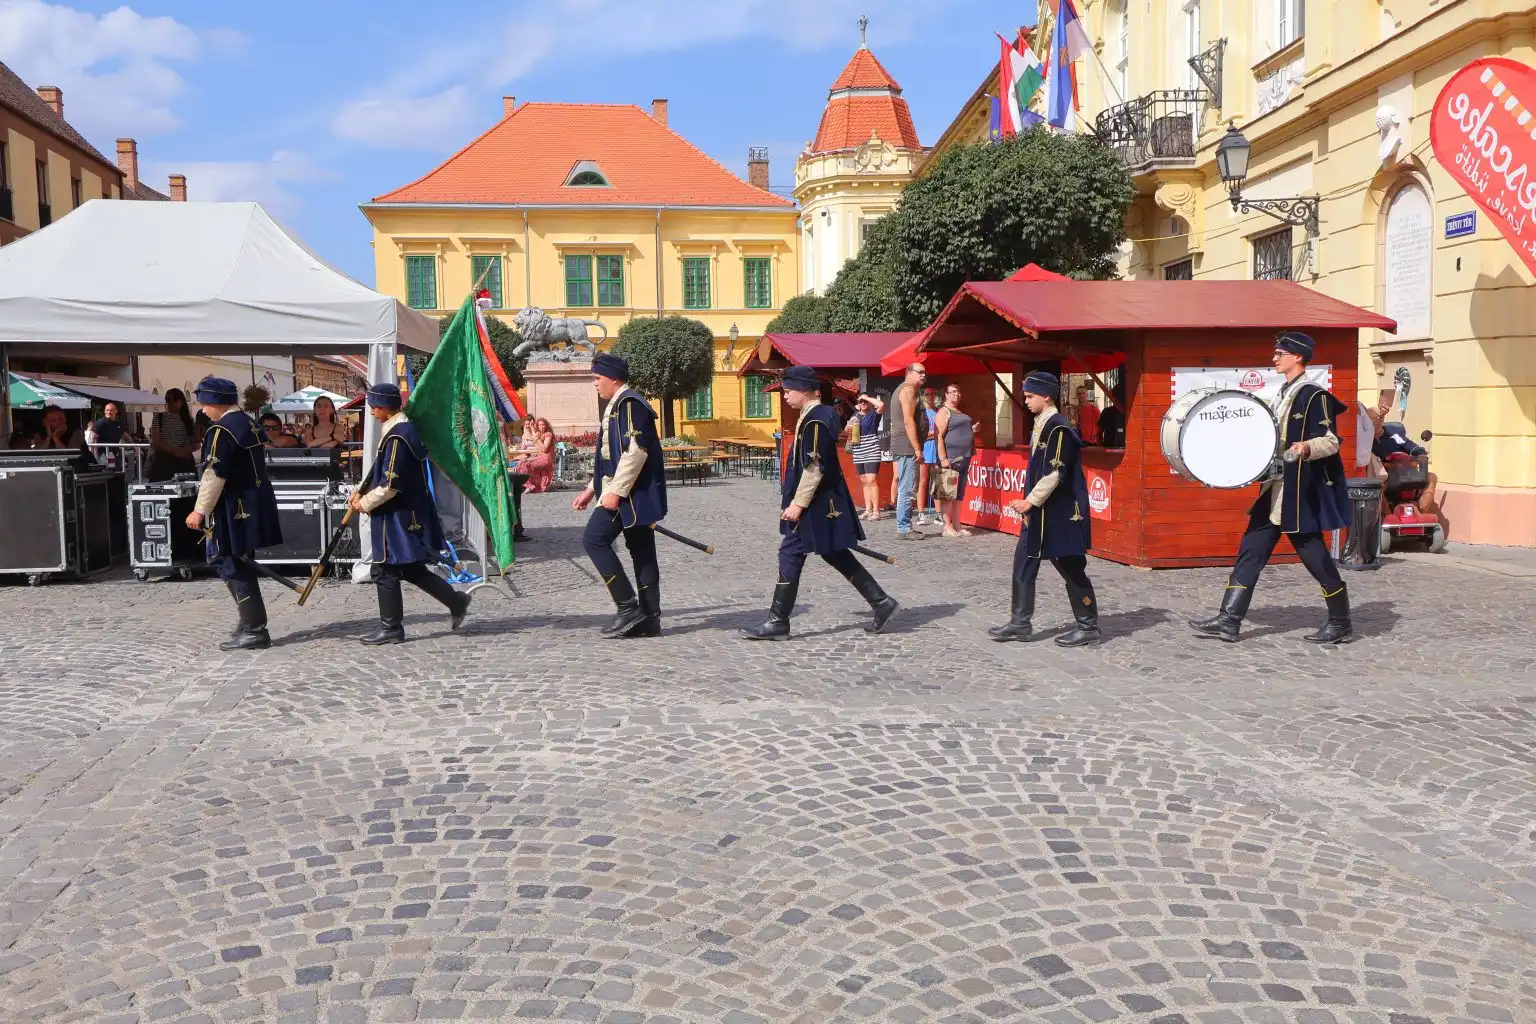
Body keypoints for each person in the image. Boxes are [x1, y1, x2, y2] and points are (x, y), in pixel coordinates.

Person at [1189, 331, 1353, 645]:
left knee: (1314, 555)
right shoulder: (1282, 393)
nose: (1274, 358)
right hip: (1274, 488)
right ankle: (1229, 619)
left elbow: (1330, 441)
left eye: (1280, 353)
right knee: (1251, 549)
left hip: (1298, 492)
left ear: (1298, 357)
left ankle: (1340, 620)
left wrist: (1305, 447)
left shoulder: (1314, 395)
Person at [741, 366, 899, 640]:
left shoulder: (816, 419)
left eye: (788, 391)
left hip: (817, 504)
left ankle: (778, 621)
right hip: (821, 502)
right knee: (833, 551)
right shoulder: (816, 415)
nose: (785, 396)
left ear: (804, 390)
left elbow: (814, 467)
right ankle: (881, 602)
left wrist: (798, 504)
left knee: (791, 552)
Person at [349, 383, 470, 645]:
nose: (371, 411)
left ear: (384, 407)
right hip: (405, 513)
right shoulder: (401, 430)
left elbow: (391, 484)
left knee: (384, 569)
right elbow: (381, 472)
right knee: (409, 567)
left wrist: (364, 503)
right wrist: (360, 490)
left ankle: (391, 628)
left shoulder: (398, 437)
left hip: (396, 515)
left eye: (374, 407)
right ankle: (455, 600)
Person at [989, 372, 1101, 647]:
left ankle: (1088, 626)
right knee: (1024, 562)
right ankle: (1020, 623)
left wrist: (1030, 501)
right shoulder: (1041, 424)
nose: (1026, 401)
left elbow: (1055, 472)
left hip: (1061, 514)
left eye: (1030, 396)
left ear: (1046, 397)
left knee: (1071, 568)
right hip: (1038, 516)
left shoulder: (1059, 429)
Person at [184, 377, 283, 651]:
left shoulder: (222, 430)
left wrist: (199, 511)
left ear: (216, 402)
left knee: (230, 562)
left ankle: (254, 628)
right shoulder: (248, 423)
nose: (203, 410)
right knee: (237, 560)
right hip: (253, 504)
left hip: (234, 507)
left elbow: (215, 475)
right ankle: (249, 622)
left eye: (204, 404)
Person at [572, 353, 667, 639]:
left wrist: (614, 493)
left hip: (630, 495)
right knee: (641, 551)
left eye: (597, 378)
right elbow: (610, 456)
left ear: (613, 378)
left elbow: (635, 453)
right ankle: (649, 619)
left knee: (594, 539)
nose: (594, 383)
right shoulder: (618, 404)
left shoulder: (630, 404)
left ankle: (628, 607)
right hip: (626, 491)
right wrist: (592, 488)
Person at [888, 362, 927, 538]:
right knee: (907, 487)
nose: (923, 375)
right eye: (920, 372)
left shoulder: (908, 390)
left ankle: (904, 525)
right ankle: (904, 528)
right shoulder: (908, 390)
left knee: (907, 486)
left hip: (906, 445)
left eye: (925, 372)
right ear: (909, 373)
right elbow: (908, 420)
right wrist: (917, 448)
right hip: (907, 447)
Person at [934, 382, 974, 538]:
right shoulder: (944, 411)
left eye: (958, 392)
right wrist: (943, 458)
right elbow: (938, 436)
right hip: (951, 457)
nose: (956, 394)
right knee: (949, 493)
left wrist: (972, 430)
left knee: (959, 494)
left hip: (965, 456)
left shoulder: (958, 411)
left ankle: (957, 524)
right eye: (953, 392)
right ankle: (947, 526)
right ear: (946, 394)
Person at [147, 388, 198, 481]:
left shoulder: (189, 420)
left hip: (184, 462)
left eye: (172, 399)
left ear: (180, 401)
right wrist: (175, 451)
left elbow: (197, 441)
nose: (169, 403)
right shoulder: (159, 417)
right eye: (167, 399)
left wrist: (187, 449)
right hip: (164, 461)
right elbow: (156, 441)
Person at [848, 394, 884, 519]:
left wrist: (867, 397)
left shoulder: (874, 415)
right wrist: (849, 427)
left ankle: (876, 511)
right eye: (861, 402)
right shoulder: (855, 416)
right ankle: (868, 509)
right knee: (864, 482)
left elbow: (881, 405)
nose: (863, 403)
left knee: (872, 481)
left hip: (871, 450)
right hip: (858, 451)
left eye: (865, 402)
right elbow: (847, 431)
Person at [917, 386, 941, 525]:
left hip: (937, 448)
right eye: (927, 394)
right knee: (923, 481)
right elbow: (921, 433)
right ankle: (920, 513)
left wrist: (934, 435)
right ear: (923, 396)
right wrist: (934, 434)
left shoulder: (938, 411)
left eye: (932, 394)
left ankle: (938, 514)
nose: (930, 396)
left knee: (937, 482)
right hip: (925, 448)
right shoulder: (921, 412)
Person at [517, 417, 557, 493]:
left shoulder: (548, 435)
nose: (541, 427)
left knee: (526, 464)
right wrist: (532, 428)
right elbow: (537, 446)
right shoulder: (539, 434)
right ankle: (527, 485)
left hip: (546, 459)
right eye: (539, 425)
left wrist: (537, 439)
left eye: (543, 424)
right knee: (520, 463)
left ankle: (529, 486)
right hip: (539, 457)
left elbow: (544, 449)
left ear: (546, 425)